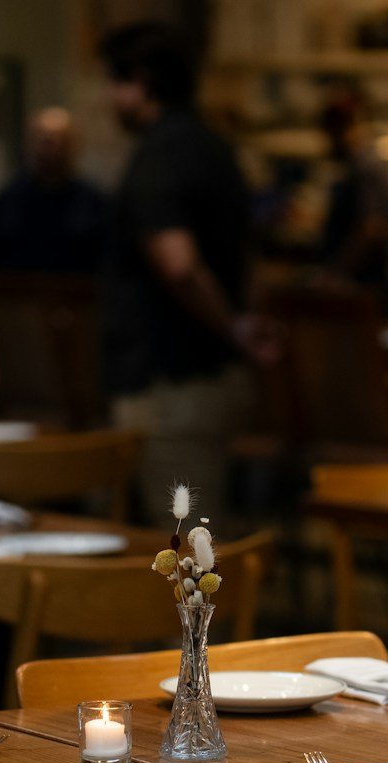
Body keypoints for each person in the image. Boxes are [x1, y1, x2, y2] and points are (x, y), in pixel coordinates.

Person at [99, 20, 262, 510]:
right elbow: (246, 256)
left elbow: (180, 266)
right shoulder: (214, 146)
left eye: (115, 82)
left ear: (142, 81)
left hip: (173, 385)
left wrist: (233, 329)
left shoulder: (160, 154)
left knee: (188, 565)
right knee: (200, 555)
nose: (109, 98)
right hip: (212, 381)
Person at [0, 107, 110, 276]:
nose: (51, 148)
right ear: (31, 143)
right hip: (21, 296)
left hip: (78, 296)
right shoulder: (9, 198)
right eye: (45, 140)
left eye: (60, 140)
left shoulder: (93, 201)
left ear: (73, 146)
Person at [317, 90, 388, 298]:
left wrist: (337, 273)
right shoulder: (354, 167)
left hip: (362, 287)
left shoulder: (366, 167)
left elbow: (373, 228)